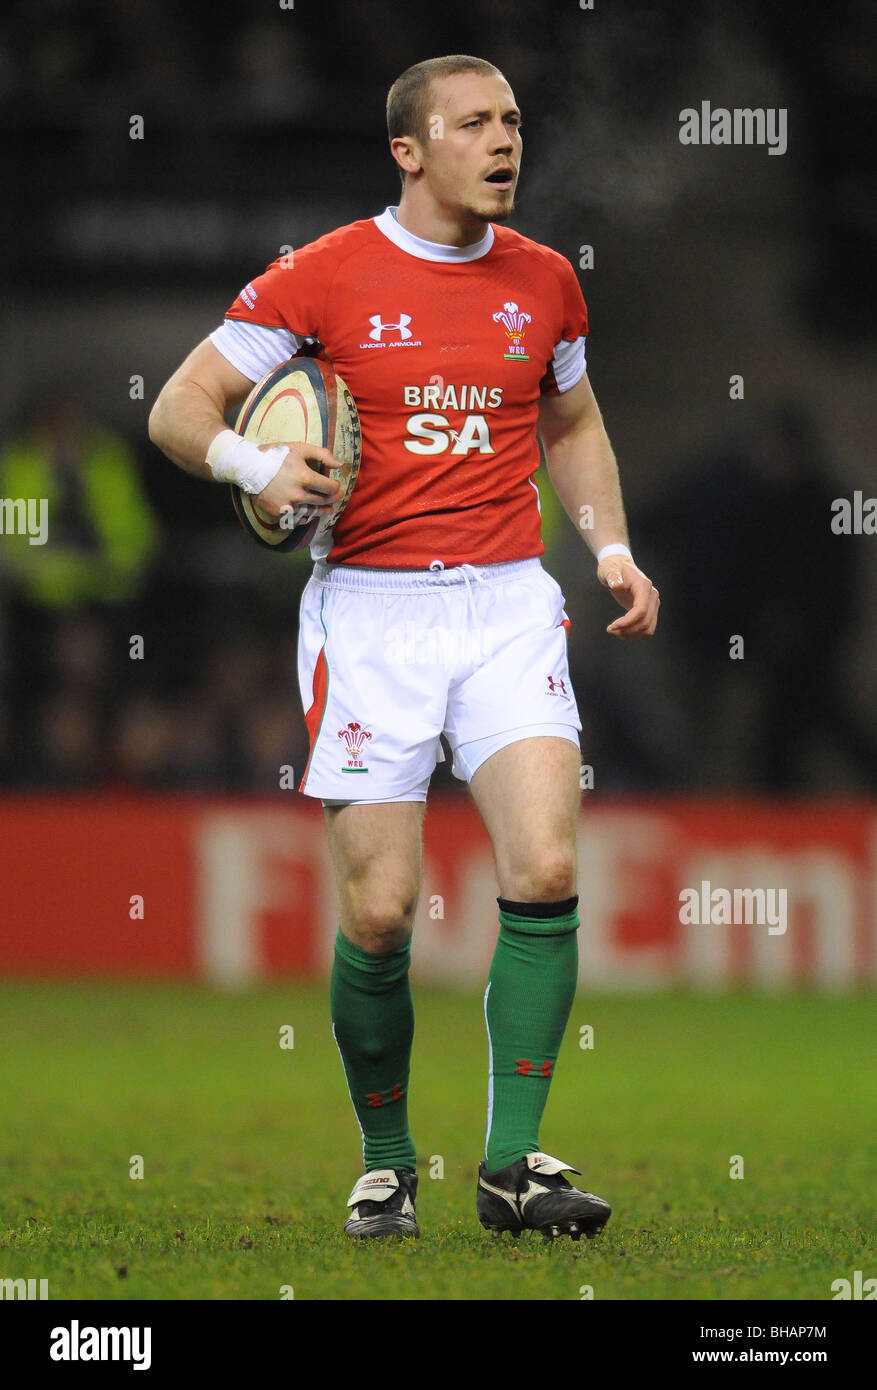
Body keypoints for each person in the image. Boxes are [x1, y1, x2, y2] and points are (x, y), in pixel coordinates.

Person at [148, 54, 660, 1242]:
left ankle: (513, 1165)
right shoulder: (320, 275)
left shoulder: (545, 283)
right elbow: (181, 404)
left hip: (505, 605)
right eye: (473, 123)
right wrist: (253, 464)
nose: (503, 142)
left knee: (543, 870)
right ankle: (385, 1161)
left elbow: (570, 417)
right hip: (370, 613)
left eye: (514, 122)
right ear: (408, 150)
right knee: (382, 913)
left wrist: (613, 546)